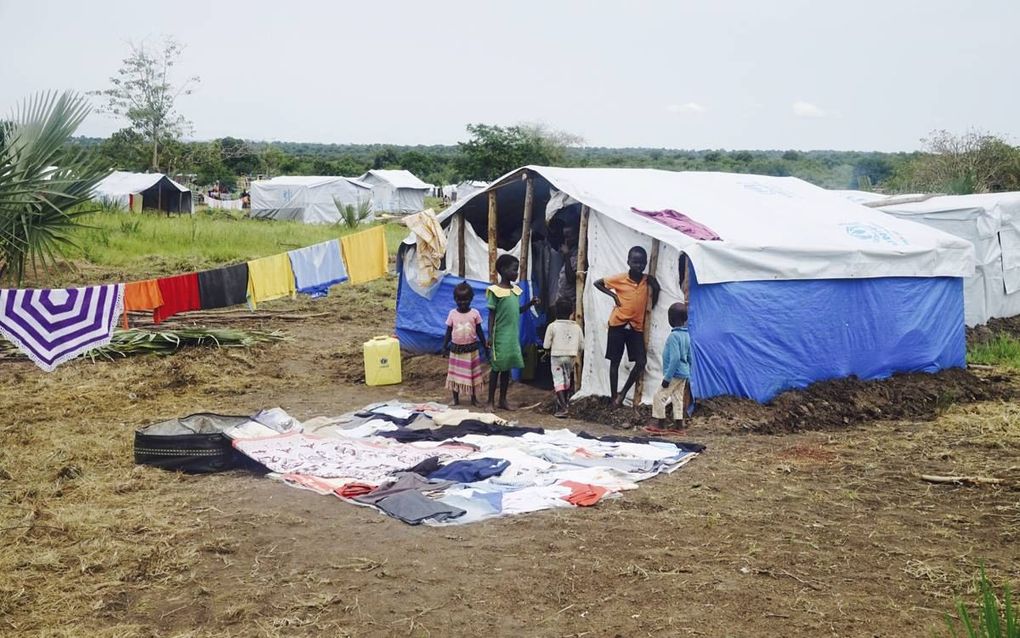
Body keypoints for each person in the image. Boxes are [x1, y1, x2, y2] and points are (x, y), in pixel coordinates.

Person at [594, 245, 660, 406]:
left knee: (641, 362)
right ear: (628, 262)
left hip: (636, 327)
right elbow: (598, 283)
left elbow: (656, 293)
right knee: (615, 362)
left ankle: (622, 393)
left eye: (642, 262)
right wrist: (614, 296)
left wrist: (655, 287)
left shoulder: (647, 280)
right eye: (635, 262)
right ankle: (613, 398)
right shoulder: (620, 279)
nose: (639, 265)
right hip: (617, 324)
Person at [486, 254, 540, 410]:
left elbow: (517, 310)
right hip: (500, 335)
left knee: (507, 368)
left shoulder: (515, 291)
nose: (516, 273)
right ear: (503, 270)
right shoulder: (494, 291)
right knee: (496, 368)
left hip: (512, 335)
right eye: (514, 270)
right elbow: (491, 315)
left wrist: (530, 303)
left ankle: (503, 400)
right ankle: (490, 401)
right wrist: (490, 335)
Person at [441, 281, 488, 406]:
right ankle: (455, 399)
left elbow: (479, 330)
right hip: (456, 350)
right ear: (455, 299)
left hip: (471, 350)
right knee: (454, 375)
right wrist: (444, 346)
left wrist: (484, 344)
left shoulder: (475, 314)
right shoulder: (452, 314)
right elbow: (448, 331)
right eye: (459, 300)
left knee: (473, 375)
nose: (463, 302)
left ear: (471, 299)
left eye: (466, 300)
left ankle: (474, 399)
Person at [651, 302, 692, 430]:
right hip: (683, 373)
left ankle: (660, 424)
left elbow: (675, 359)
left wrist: (667, 378)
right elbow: (689, 356)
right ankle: (679, 426)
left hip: (674, 373)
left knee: (659, 396)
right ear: (685, 319)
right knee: (677, 398)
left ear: (670, 320)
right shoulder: (686, 335)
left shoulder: (673, 337)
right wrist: (688, 371)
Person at [543, 298, 584, 418]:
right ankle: (564, 403)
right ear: (571, 312)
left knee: (558, 381)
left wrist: (547, 351)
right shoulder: (576, 327)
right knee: (566, 379)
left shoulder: (552, 326)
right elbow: (582, 345)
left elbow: (546, 345)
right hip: (571, 356)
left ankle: (563, 407)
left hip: (556, 356)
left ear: (556, 311)